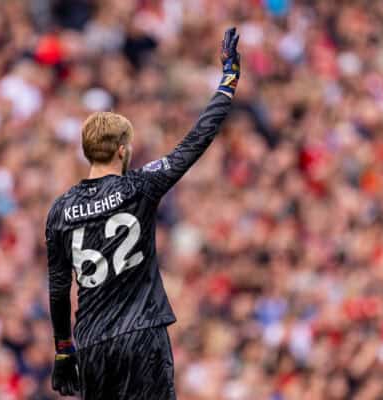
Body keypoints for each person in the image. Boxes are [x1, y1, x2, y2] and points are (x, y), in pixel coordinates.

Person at [45, 27, 241, 399]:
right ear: (121, 150)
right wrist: (227, 83)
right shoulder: (139, 186)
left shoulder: (60, 210)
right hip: (143, 334)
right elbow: (195, 141)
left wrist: (63, 348)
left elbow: (58, 288)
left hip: (93, 342)